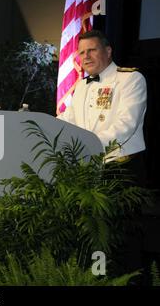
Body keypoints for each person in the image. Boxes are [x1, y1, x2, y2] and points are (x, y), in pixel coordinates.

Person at [57, 30, 148, 280]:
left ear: (108, 52)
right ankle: (98, 281)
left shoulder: (131, 80)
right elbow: (68, 121)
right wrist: (45, 129)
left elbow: (125, 126)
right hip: (89, 171)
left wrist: (87, 145)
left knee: (122, 241)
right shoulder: (80, 86)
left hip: (121, 171)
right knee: (93, 236)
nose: (86, 56)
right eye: (82, 52)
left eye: (92, 50)